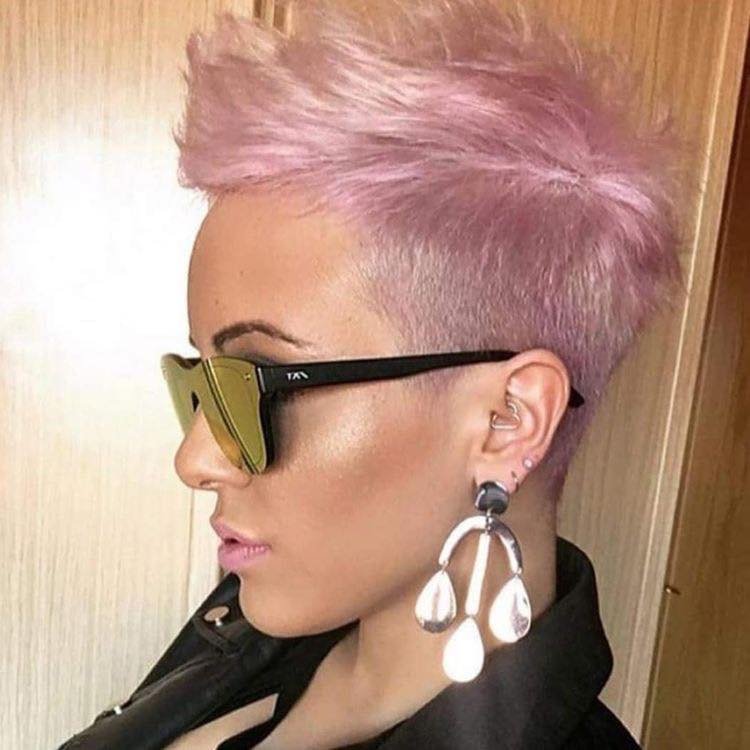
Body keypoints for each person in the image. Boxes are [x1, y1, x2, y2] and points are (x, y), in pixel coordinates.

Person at [58, 0, 686, 747]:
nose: (196, 458)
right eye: (199, 386)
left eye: (254, 384)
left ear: (507, 421)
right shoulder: (260, 629)